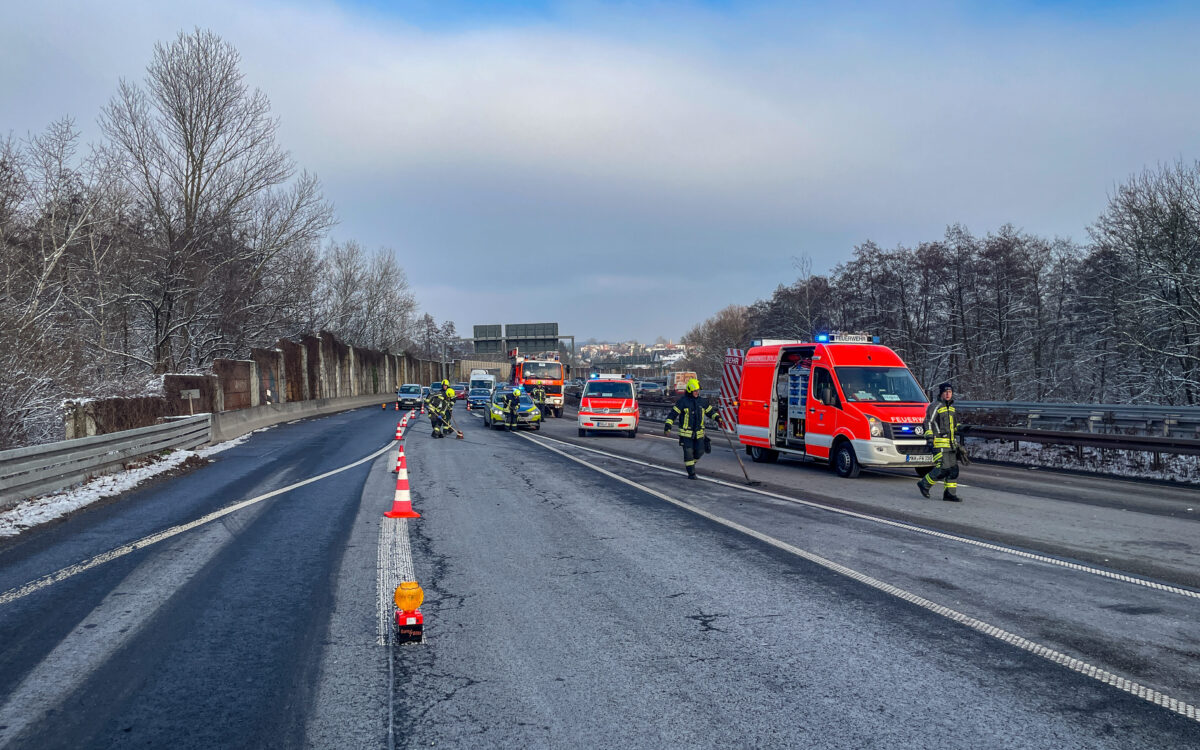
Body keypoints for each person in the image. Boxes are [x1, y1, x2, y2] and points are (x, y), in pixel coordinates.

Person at [664, 378, 722, 479]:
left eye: (698, 391)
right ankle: (691, 473)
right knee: (688, 453)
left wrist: (717, 418)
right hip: (686, 434)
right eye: (695, 391)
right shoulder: (682, 402)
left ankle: (690, 465)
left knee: (699, 452)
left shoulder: (702, 402)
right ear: (690, 390)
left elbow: (710, 412)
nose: (697, 392)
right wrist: (668, 426)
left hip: (699, 433)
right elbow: (673, 414)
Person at [918, 381, 961, 501]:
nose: (948, 394)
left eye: (950, 392)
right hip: (939, 443)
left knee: (953, 469)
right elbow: (928, 422)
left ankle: (950, 494)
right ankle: (924, 484)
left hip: (951, 444)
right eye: (946, 392)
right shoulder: (935, 406)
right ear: (941, 393)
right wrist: (930, 438)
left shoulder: (952, 408)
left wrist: (962, 428)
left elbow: (954, 426)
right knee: (943, 468)